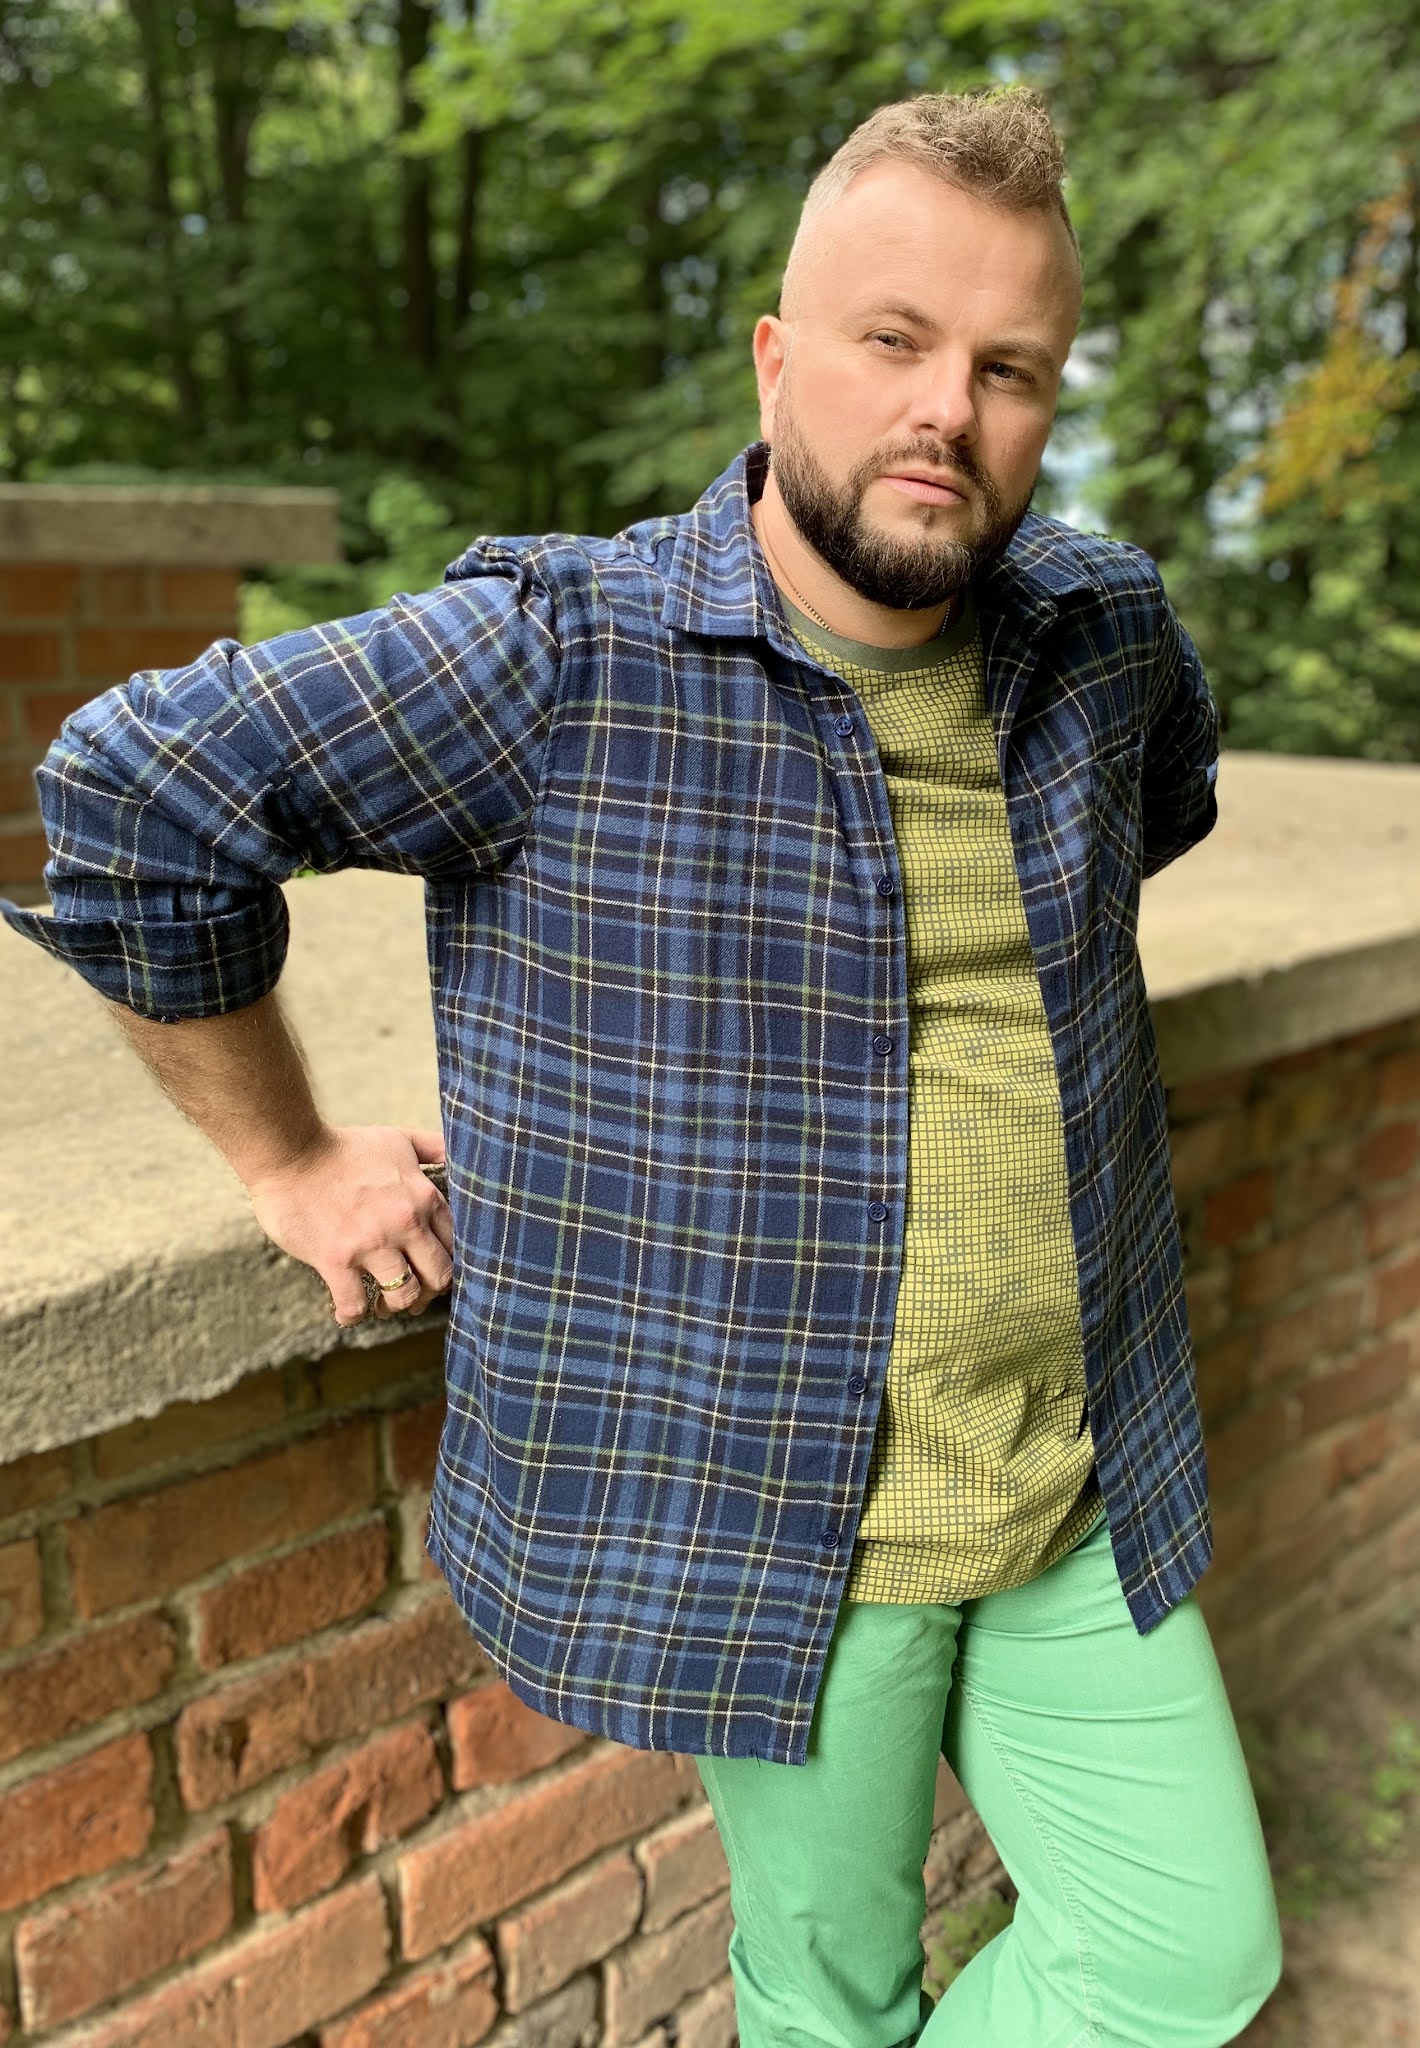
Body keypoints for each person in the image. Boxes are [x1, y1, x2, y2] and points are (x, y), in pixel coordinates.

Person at [2, 84, 1281, 2048]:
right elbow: (137, 788)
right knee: (827, 2000)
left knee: (1192, 1954)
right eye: (892, 340)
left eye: (1006, 367)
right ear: (776, 359)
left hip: (1081, 1478)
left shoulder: (1100, 637)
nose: (946, 409)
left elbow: (1151, 808)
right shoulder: (565, 661)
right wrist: (291, 1160)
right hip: (791, 1540)